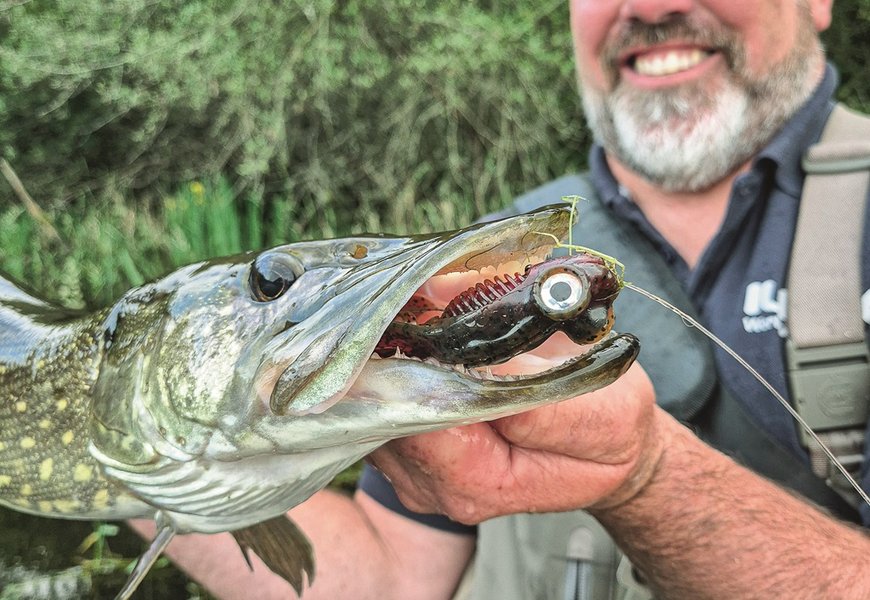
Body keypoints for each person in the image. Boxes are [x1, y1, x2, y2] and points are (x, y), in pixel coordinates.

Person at [133, 0, 870, 597]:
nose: (649, 7)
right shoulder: (499, 241)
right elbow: (391, 581)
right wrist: (134, 458)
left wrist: (649, 477)